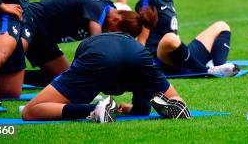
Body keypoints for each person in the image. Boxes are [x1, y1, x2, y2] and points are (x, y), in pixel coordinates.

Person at [0, 0, 155, 97]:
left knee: (64, 79)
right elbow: (98, 43)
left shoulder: (106, 11)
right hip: (31, 21)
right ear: (117, 21)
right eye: (115, 34)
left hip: (44, 38)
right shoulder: (98, 8)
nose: (112, 37)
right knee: (8, 53)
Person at [21, 32, 190, 122]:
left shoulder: (87, 52)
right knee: (174, 98)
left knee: (30, 111)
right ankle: (177, 104)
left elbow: (63, 102)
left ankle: (96, 108)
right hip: (138, 54)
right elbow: (142, 111)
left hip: (99, 56)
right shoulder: (132, 45)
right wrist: (134, 109)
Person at [135, 0, 240, 77]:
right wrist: (142, 67)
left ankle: (218, 68)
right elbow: (141, 39)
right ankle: (206, 71)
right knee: (170, 38)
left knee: (221, 25)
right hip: (160, 61)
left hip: (179, 57)